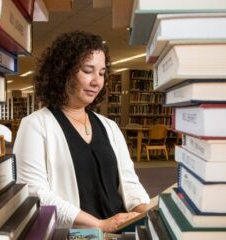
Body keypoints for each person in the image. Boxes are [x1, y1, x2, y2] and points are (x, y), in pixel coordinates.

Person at [13, 31, 150, 232]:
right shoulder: (35, 125)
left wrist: (147, 211)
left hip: (119, 231)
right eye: (88, 70)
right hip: (77, 233)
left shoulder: (109, 127)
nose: (97, 81)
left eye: (102, 73)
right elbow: (35, 194)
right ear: (63, 72)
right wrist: (100, 225)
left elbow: (129, 183)